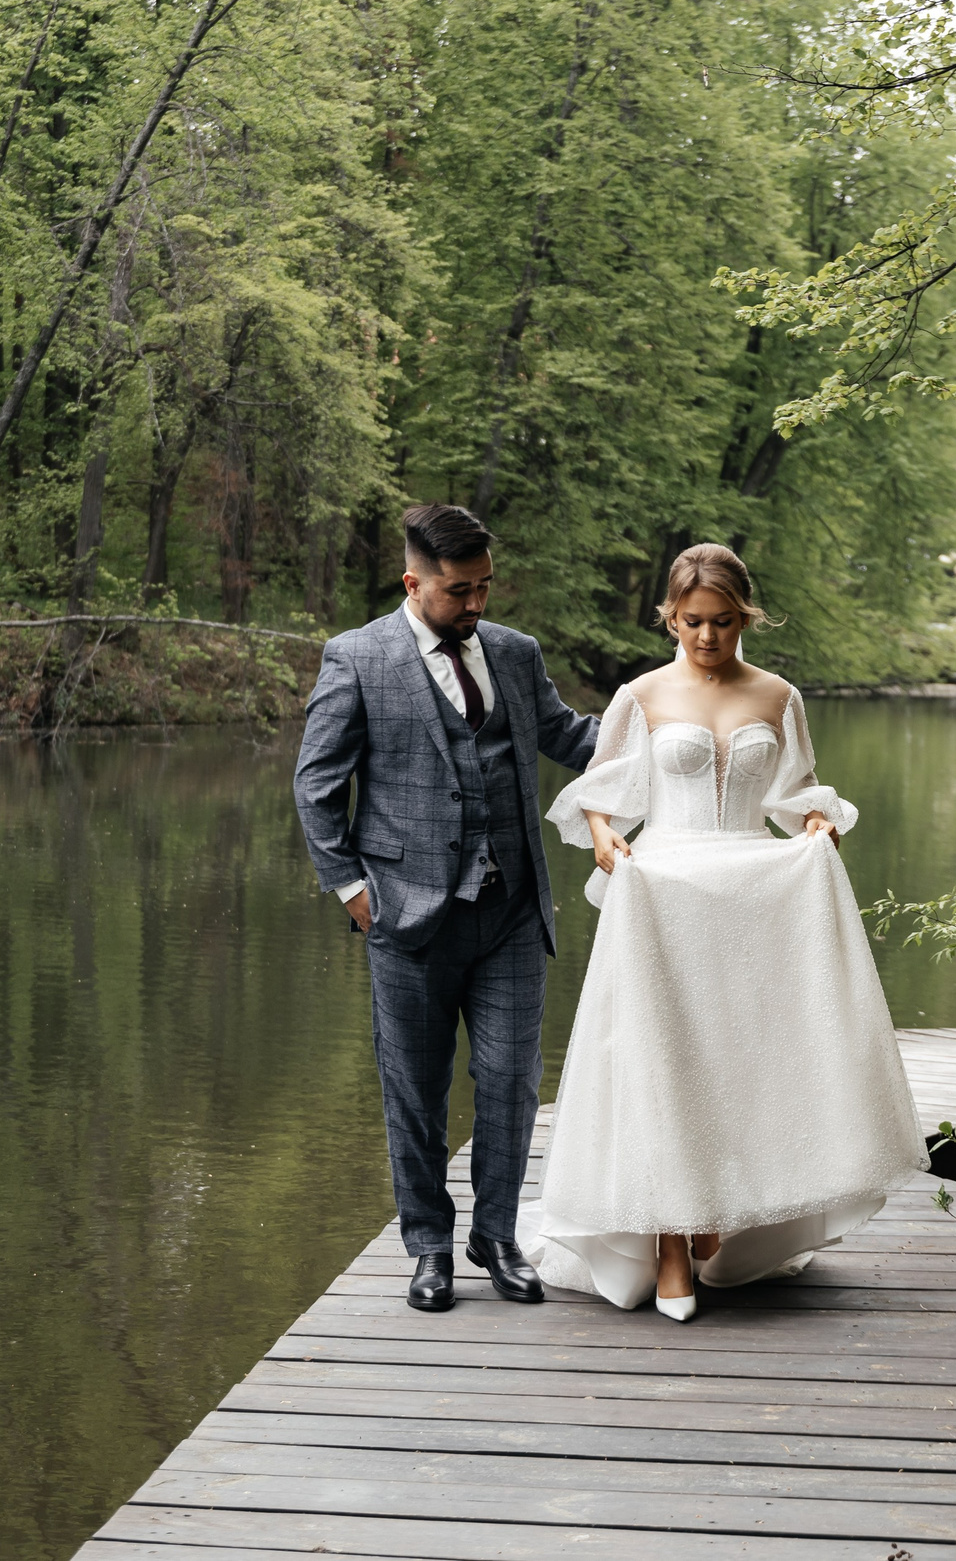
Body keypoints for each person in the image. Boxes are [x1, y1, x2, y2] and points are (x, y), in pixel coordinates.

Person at [519, 543, 926, 1319]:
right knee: (663, 1055)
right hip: (665, 894)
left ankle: (718, 1216)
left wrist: (813, 819)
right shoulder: (640, 695)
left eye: (725, 621)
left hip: (750, 899)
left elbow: (795, 791)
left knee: (737, 1059)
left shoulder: (778, 694)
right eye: (694, 622)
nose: (708, 637)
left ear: (747, 616)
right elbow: (598, 792)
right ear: (670, 617)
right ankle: (670, 1237)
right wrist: (605, 834)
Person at [293, 504, 603, 1312]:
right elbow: (316, 786)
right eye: (459, 591)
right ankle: (428, 1244)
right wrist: (355, 892)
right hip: (406, 915)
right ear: (413, 581)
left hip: (508, 908)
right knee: (416, 1088)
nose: (476, 605)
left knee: (509, 1081)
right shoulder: (356, 658)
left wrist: (681, 722)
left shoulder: (513, 652)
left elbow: (573, 738)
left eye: (485, 588)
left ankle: (495, 1236)